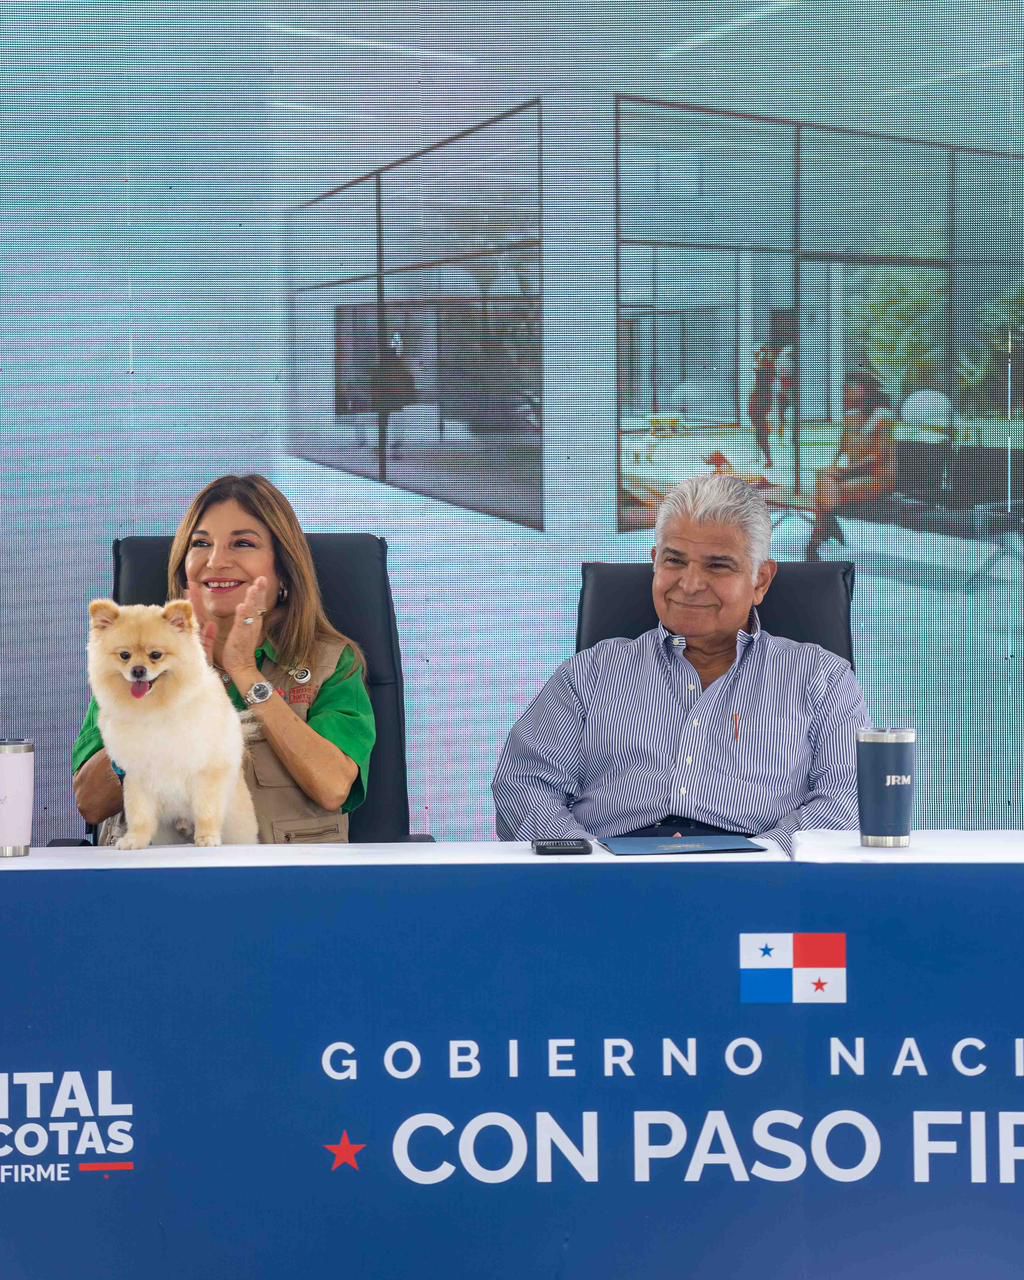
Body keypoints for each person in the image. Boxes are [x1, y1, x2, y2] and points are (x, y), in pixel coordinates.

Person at [492, 473, 870, 853]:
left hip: (760, 873)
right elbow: (523, 783)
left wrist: (756, 860)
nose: (689, 585)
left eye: (717, 566)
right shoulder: (590, 673)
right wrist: (591, 860)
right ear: (655, 563)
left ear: (760, 581)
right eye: (675, 560)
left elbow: (847, 799)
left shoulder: (823, 680)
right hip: (608, 871)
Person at [73, 474, 376, 844]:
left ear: (283, 571)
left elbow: (332, 787)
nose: (216, 561)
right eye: (201, 543)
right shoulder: (134, 662)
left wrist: (246, 674)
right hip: (160, 875)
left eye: (243, 543)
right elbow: (90, 802)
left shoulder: (332, 662)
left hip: (283, 876)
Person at [805, 372, 897, 561]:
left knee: (827, 491)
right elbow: (843, 450)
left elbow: (878, 456)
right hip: (855, 473)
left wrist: (844, 471)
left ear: (864, 391)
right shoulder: (851, 417)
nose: (844, 394)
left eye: (848, 389)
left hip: (878, 477)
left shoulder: (883, 418)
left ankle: (819, 536)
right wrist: (834, 467)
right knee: (823, 478)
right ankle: (825, 529)